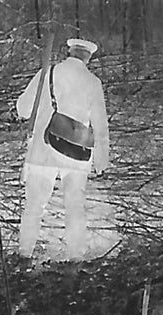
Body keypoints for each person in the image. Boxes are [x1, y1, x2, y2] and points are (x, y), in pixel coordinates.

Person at [15, 36, 110, 262]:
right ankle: (76, 258)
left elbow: (23, 109)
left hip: (43, 149)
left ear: (69, 52)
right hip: (76, 153)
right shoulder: (93, 83)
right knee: (75, 207)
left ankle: (24, 254)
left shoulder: (47, 73)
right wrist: (101, 159)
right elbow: (100, 123)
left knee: (34, 207)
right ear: (88, 57)